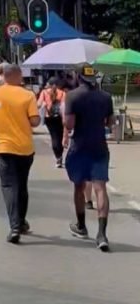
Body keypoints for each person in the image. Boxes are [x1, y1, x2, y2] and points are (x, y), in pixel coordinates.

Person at [0, 64, 40, 244]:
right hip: (25, 148)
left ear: (4, 77)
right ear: (19, 76)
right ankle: (20, 222)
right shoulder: (28, 95)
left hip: (3, 147)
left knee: (9, 186)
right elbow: (35, 121)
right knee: (22, 185)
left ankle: (14, 226)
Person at [64, 63, 113, 252]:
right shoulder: (106, 97)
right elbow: (109, 122)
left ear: (79, 77)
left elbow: (69, 124)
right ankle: (102, 234)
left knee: (79, 187)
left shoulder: (72, 96)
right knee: (100, 188)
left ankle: (81, 226)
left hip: (80, 147)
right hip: (99, 146)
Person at [38, 78, 66, 168]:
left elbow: (38, 104)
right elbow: (64, 106)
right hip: (60, 117)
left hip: (49, 117)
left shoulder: (44, 92)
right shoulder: (63, 93)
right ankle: (60, 156)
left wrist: (44, 105)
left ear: (49, 84)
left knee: (54, 136)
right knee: (60, 136)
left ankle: (58, 157)